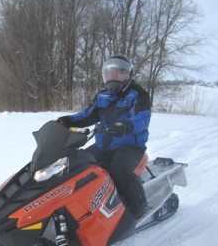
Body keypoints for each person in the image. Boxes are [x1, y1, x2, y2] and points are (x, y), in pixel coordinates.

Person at [57, 54, 151, 219]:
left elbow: (142, 118)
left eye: (119, 73)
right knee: (77, 165)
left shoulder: (138, 94)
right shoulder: (102, 96)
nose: (113, 77)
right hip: (105, 145)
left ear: (128, 74)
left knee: (119, 170)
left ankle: (139, 208)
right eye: (110, 73)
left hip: (130, 146)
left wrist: (125, 125)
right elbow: (88, 115)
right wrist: (68, 121)